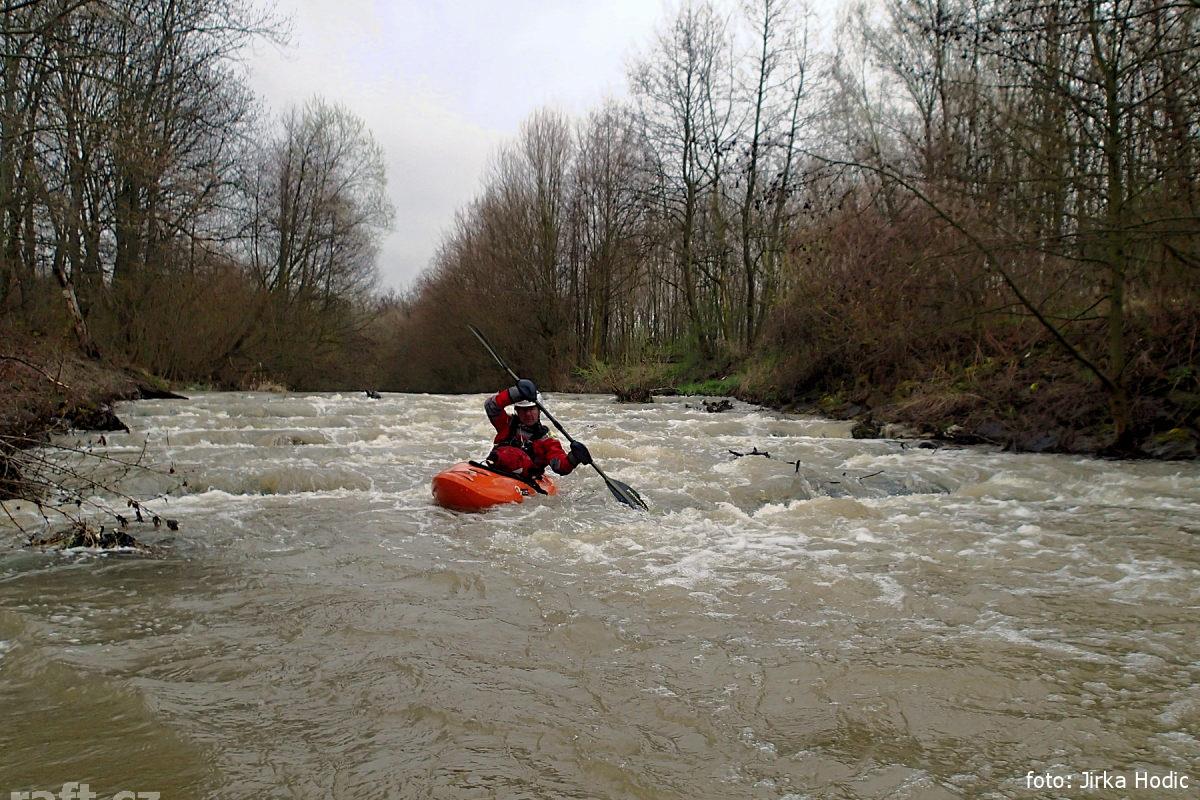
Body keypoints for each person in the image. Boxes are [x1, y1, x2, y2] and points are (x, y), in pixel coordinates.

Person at [484, 378, 592, 479]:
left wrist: (573, 458)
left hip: (526, 480)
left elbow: (559, 466)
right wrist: (515, 393)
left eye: (532, 409)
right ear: (517, 410)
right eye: (524, 410)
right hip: (496, 471)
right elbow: (491, 405)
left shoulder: (546, 439)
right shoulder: (507, 424)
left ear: (539, 410)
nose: (528, 414)